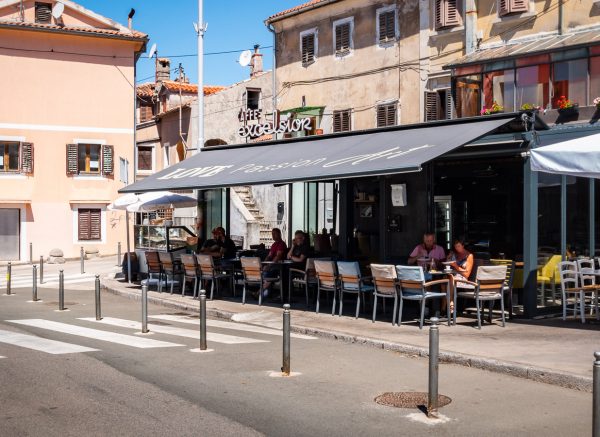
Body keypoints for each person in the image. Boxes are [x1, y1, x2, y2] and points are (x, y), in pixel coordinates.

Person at [446, 238, 474, 314]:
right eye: (455, 246)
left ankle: (451, 303)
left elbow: (467, 274)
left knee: (451, 279)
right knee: (445, 281)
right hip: (452, 276)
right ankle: (443, 309)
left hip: (462, 278)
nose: (457, 248)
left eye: (458, 246)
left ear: (463, 246)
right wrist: (448, 258)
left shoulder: (469, 256)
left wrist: (455, 266)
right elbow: (447, 266)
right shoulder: (455, 254)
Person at [257, 228, 288, 300]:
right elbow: (269, 256)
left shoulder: (281, 244)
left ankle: (259, 293)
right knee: (263, 272)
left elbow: (278, 256)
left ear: (279, 234)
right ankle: (265, 292)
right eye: (272, 234)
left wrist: (269, 266)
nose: (273, 236)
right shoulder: (274, 244)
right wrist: (264, 264)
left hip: (279, 266)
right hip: (272, 265)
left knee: (269, 273)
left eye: (275, 234)